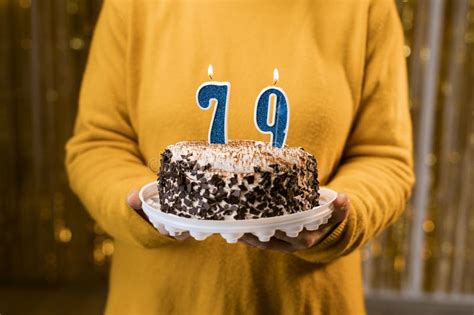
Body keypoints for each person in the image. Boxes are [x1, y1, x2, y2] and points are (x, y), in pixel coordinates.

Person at [65, 0, 415, 314]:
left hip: (307, 301)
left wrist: (337, 222)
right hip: (160, 300)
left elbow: (384, 156)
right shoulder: (133, 6)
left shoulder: (365, 8)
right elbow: (98, 143)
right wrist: (145, 207)